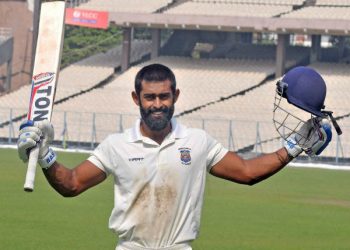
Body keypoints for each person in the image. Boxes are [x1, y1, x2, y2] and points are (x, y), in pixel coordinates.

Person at [17, 63, 332, 250]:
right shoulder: (116, 145)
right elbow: (71, 184)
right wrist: (45, 156)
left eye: (164, 96)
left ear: (176, 97)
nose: (157, 104)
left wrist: (292, 147)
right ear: (136, 98)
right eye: (149, 97)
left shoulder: (196, 142)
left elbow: (247, 172)